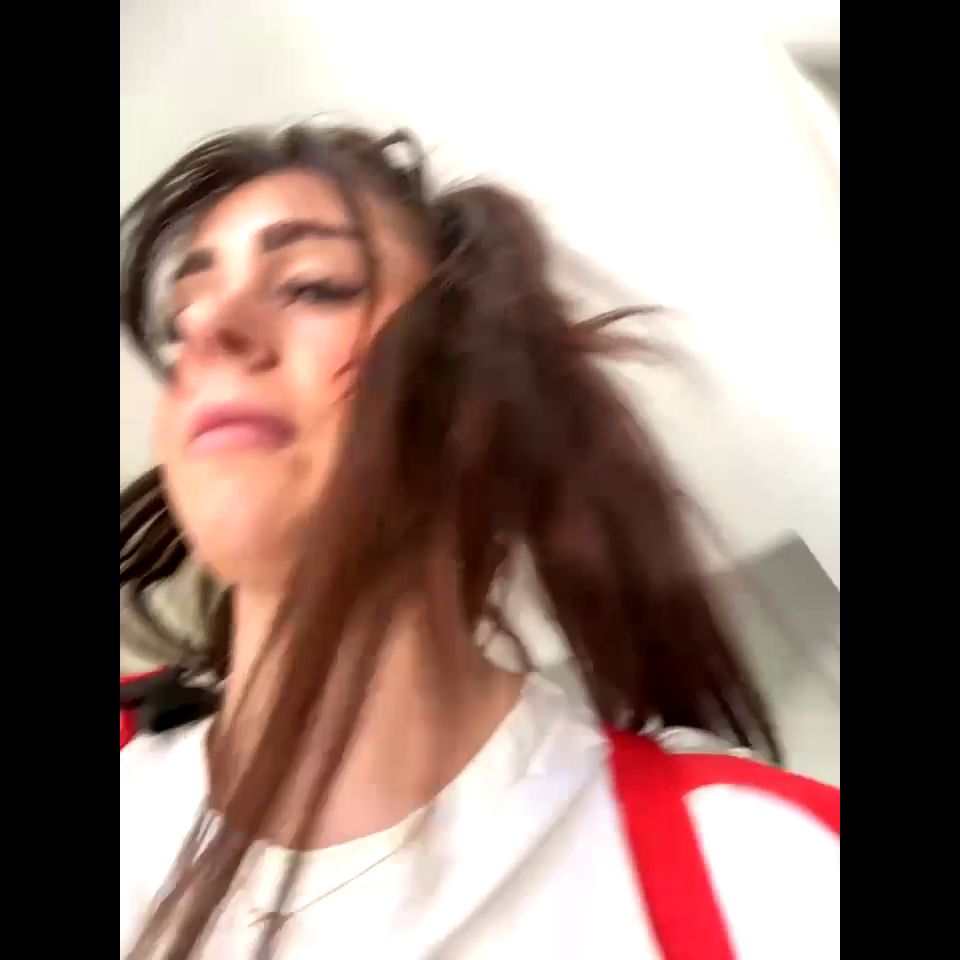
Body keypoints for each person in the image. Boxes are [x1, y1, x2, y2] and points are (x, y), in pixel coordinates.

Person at [119, 123, 839, 960]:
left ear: (474, 397)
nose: (212, 330)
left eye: (313, 286)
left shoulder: (773, 881)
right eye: (182, 317)